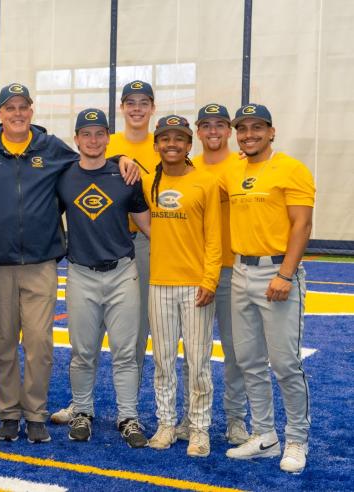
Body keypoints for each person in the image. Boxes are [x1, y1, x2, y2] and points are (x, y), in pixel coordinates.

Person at [0, 83, 79, 444]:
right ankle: (9, 413)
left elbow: (90, 162)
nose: (17, 114)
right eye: (9, 108)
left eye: (22, 107)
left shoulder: (53, 148)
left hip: (41, 264)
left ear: (31, 109)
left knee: (40, 343)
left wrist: (124, 160)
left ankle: (36, 413)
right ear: (0, 113)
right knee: (3, 344)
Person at [53, 79, 159, 425]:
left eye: (100, 134)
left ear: (107, 137)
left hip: (122, 271)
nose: (94, 140)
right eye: (87, 134)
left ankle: (128, 416)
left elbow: (149, 226)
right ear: (77, 139)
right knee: (83, 352)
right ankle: (83, 409)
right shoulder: (64, 176)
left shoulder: (126, 176)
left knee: (126, 352)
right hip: (81, 272)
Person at [222, 104, 314, 474]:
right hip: (241, 271)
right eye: (242, 129)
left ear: (271, 132)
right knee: (249, 361)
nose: (249, 135)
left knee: (286, 364)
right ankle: (264, 435)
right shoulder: (233, 169)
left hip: (277, 271)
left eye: (256, 128)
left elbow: (302, 225)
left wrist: (286, 274)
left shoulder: (292, 168)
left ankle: (296, 439)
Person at [141, 115, 221, 458]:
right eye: (165, 139)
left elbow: (215, 239)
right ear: (157, 144)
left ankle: (199, 429)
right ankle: (166, 423)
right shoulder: (147, 182)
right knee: (162, 361)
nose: (171, 144)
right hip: (159, 283)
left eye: (179, 139)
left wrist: (210, 279)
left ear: (190, 145)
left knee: (198, 361)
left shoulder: (205, 182)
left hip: (196, 286)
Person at [175, 103, 249, 446]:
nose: (214, 131)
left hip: (234, 270)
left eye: (220, 125)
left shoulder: (244, 165)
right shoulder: (189, 168)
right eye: (207, 126)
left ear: (229, 131)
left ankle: (235, 419)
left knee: (236, 352)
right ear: (198, 133)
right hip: (197, 269)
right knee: (195, 351)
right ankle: (193, 417)